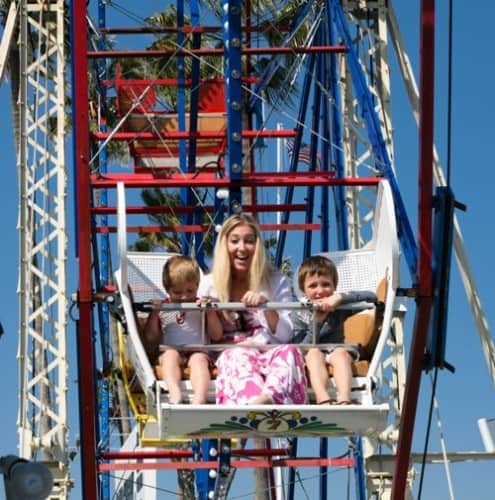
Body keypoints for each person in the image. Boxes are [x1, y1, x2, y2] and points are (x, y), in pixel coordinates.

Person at [201, 213, 307, 405]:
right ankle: (251, 404)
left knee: (289, 351)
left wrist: (266, 306)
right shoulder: (209, 284)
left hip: (267, 349)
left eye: (249, 241)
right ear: (224, 245)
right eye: (234, 241)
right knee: (238, 355)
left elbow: (285, 335)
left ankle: (268, 399)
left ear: (257, 246)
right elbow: (206, 335)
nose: (242, 248)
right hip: (231, 351)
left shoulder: (275, 281)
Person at [292, 255, 376, 405]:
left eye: (326, 284)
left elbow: (372, 297)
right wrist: (316, 322)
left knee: (340, 353)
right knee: (313, 353)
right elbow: (302, 348)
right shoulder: (298, 313)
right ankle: (323, 398)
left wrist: (340, 298)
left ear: (334, 286)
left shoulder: (339, 308)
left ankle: (344, 398)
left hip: (336, 349)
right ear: (303, 290)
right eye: (313, 286)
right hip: (313, 351)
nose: (320, 291)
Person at [143, 255, 222, 404]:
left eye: (190, 291)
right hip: (171, 350)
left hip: (197, 351)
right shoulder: (163, 308)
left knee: (199, 360)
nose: (185, 297)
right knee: (169, 356)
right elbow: (150, 338)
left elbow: (216, 335)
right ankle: (174, 393)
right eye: (178, 293)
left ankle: (199, 398)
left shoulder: (201, 306)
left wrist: (210, 313)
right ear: (167, 289)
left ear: (197, 286)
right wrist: (155, 313)